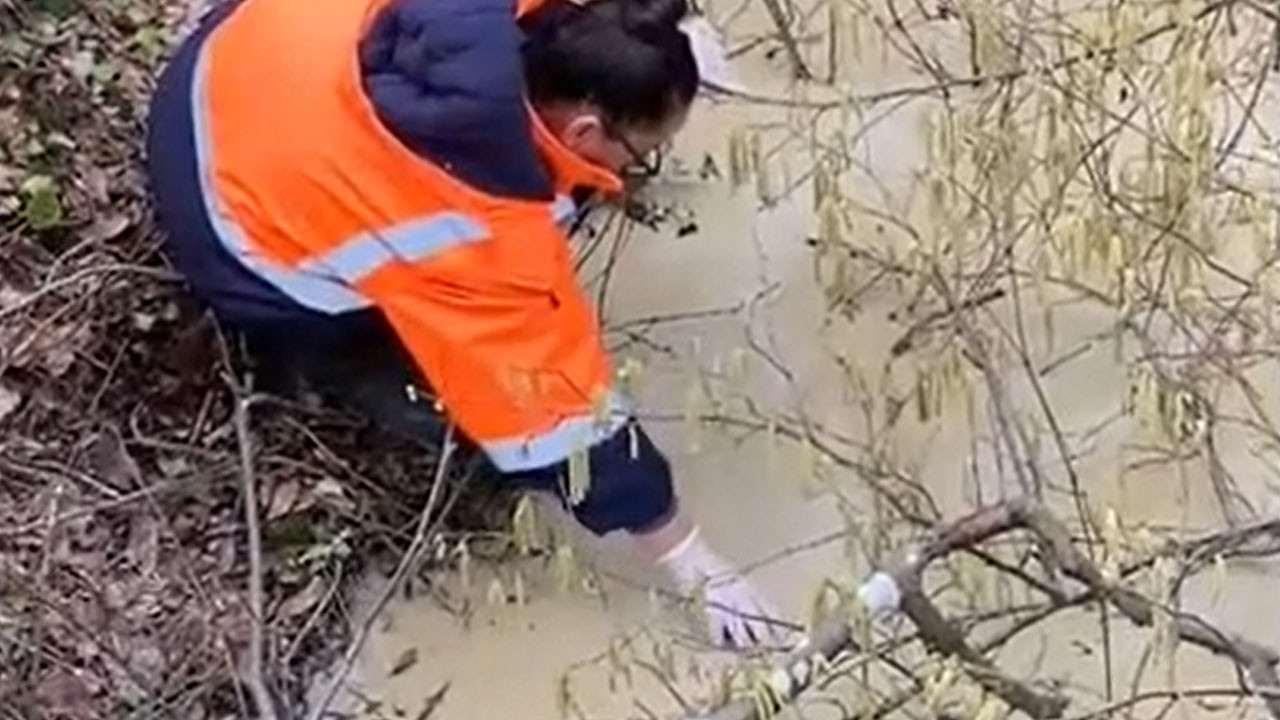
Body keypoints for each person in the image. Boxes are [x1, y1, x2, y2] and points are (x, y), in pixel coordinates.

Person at [146, 0, 782, 646]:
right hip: (224, 223)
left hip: (228, 58)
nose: (634, 168)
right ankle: (321, 365)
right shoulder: (476, 239)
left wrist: (659, 37)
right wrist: (691, 558)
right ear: (586, 132)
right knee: (461, 414)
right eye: (639, 153)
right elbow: (558, 419)